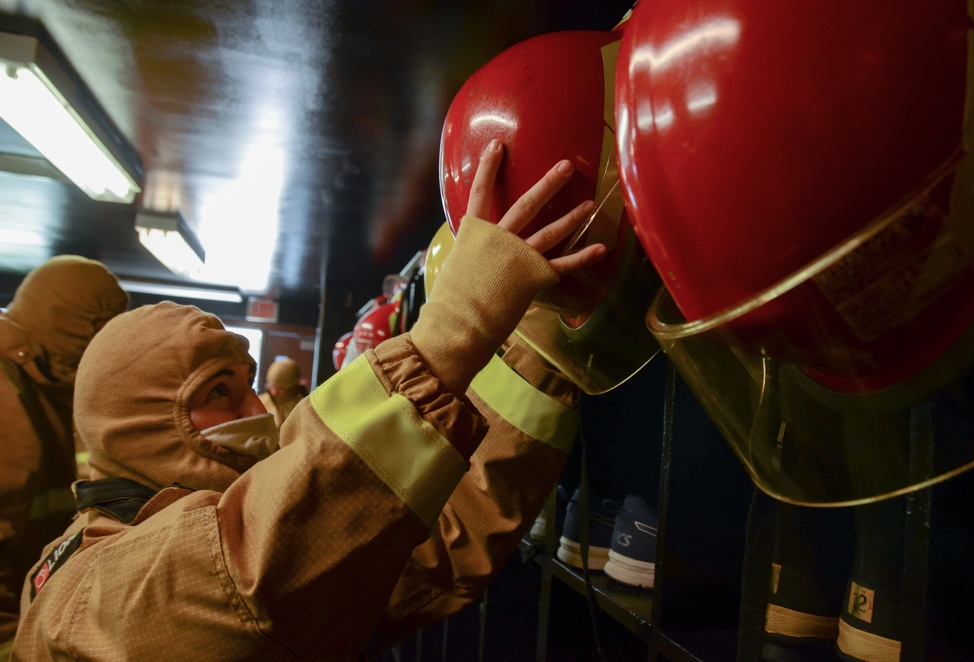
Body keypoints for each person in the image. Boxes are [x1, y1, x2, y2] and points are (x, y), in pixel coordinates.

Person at [10, 141, 606, 660]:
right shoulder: (84, 598)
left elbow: (434, 555)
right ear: (138, 426)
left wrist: (538, 337)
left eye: (248, 384)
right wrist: (458, 323)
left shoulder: (219, 535)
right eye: (218, 393)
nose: (256, 410)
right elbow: (247, 578)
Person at [0, 256, 128, 656]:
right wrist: (11, 641)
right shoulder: (11, 398)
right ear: (81, 328)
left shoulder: (43, 383)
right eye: (101, 331)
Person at [258, 358, 307, 429]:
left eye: (280, 389)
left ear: (293, 387)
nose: (274, 393)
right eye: (271, 387)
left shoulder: (304, 409)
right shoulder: (260, 403)